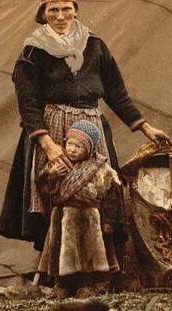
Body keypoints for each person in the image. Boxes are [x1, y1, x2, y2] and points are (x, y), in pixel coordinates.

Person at [0, 0, 170, 256]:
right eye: (53, 10)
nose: (61, 16)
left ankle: (99, 265)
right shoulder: (32, 53)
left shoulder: (95, 46)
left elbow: (116, 92)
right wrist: (48, 146)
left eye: (67, 9)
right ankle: (57, 267)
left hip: (92, 129)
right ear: (43, 13)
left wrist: (145, 127)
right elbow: (28, 105)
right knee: (56, 194)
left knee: (100, 192)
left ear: (75, 10)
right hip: (52, 130)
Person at [37, 120, 121, 297]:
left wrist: (109, 221)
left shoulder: (100, 169)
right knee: (61, 252)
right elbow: (45, 192)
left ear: (89, 150)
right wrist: (51, 176)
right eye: (70, 144)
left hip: (89, 218)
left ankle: (87, 285)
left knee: (88, 254)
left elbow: (111, 197)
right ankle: (63, 284)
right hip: (62, 216)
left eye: (79, 146)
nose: (72, 149)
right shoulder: (57, 164)